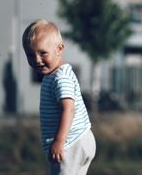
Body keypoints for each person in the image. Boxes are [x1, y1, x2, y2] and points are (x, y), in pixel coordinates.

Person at [22, 19, 95, 175]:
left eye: (43, 53)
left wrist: (59, 141)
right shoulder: (60, 73)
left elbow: (68, 109)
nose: (37, 59)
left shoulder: (59, 78)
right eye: (30, 55)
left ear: (59, 49)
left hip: (70, 143)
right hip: (82, 138)